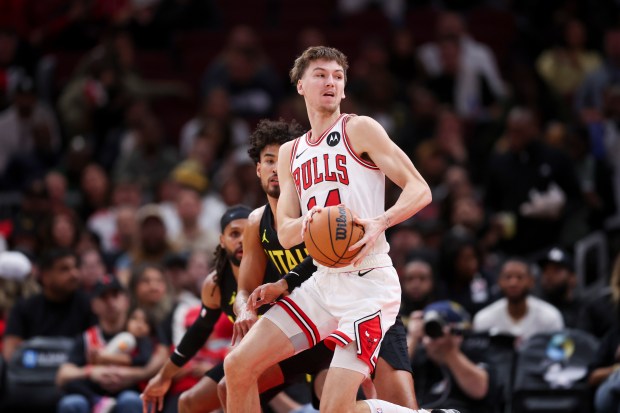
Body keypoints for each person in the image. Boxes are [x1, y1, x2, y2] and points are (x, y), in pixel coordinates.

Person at [224, 46, 432, 413]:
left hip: (368, 284)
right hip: (322, 283)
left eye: (338, 76)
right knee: (237, 366)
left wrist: (381, 221)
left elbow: (420, 189)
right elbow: (287, 233)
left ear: (345, 88)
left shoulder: (360, 129)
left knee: (335, 409)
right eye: (320, 74)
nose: (330, 82)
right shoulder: (290, 153)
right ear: (301, 85)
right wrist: (308, 224)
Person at [140, 205, 252, 413]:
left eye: (247, 233)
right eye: (234, 234)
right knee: (188, 403)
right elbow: (197, 333)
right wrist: (163, 376)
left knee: (229, 387)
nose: (241, 240)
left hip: (280, 350)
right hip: (247, 358)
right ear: (222, 240)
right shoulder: (215, 284)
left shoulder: (273, 269)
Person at [56, 276, 158, 413]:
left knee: (131, 400)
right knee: (71, 403)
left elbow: (153, 365)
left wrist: (129, 374)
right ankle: (97, 401)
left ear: (126, 301)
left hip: (130, 392)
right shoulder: (87, 338)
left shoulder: (139, 333)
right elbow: (62, 376)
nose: (110, 302)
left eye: (115, 295)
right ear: (93, 305)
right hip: (93, 394)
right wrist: (91, 372)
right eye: (104, 297)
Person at [3, 248, 96, 360]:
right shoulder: (24, 308)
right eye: (64, 269)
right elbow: (10, 352)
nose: (74, 274)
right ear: (45, 276)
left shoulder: (90, 305)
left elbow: (98, 348)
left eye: (76, 267)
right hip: (32, 374)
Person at [409, 301, 496, 413]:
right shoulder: (418, 356)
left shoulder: (474, 352)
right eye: (428, 331)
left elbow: (479, 390)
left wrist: (450, 352)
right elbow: (390, 382)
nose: (429, 340)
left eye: (435, 330)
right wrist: (412, 338)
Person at [473, 258, 564, 342]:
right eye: (508, 277)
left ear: (531, 281)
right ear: (499, 281)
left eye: (520, 277)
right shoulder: (484, 319)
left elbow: (557, 354)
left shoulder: (550, 316)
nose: (513, 283)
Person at [536, 247, 583, 328]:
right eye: (545, 270)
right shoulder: (536, 310)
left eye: (556, 270)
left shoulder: (584, 311)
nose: (549, 276)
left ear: (573, 278)